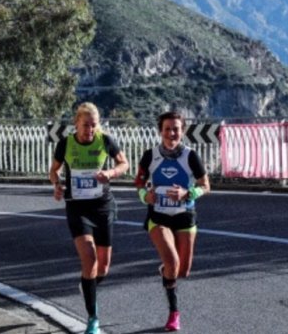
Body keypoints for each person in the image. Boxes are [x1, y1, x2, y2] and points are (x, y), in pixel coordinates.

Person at [48, 102, 129, 334]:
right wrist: (56, 184)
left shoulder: (105, 140)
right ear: (76, 124)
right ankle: (93, 318)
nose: (90, 130)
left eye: (93, 126)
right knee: (91, 260)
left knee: (103, 266)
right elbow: (54, 170)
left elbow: (124, 163)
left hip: (102, 206)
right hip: (77, 208)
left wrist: (110, 173)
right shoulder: (66, 143)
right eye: (85, 126)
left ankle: (87, 284)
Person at [134, 111, 210, 332]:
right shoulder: (150, 156)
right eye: (167, 129)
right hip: (158, 217)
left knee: (183, 270)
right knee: (173, 263)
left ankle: (167, 269)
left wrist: (189, 193)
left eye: (175, 129)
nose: (171, 133)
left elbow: (206, 185)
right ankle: (174, 313)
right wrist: (144, 196)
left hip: (185, 215)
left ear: (182, 131)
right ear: (160, 131)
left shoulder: (190, 156)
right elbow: (139, 182)